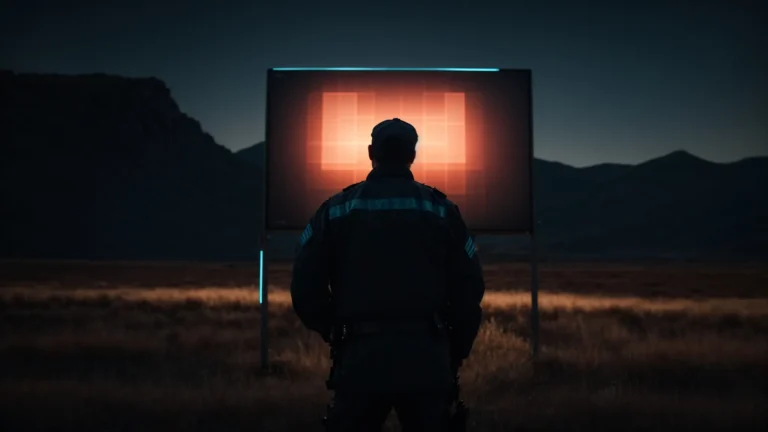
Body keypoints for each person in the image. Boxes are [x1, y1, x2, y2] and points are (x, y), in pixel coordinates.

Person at [290, 118, 485, 431]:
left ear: (371, 152)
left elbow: (304, 286)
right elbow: (469, 288)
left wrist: (335, 331)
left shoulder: (336, 209)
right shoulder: (442, 210)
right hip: (426, 359)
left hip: (359, 360)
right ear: (412, 155)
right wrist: (454, 349)